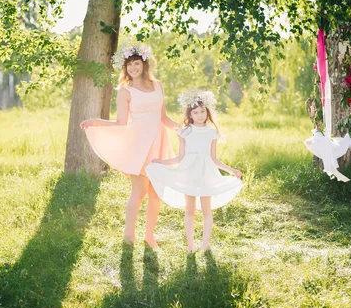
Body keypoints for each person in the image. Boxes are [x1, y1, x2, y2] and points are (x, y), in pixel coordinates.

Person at [80, 43, 179, 249]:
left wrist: (183, 129)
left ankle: (149, 237)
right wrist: (97, 122)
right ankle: (129, 236)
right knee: (139, 191)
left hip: (159, 142)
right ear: (125, 68)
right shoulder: (126, 91)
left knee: (156, 193)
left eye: (136, 64)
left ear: (144, 64)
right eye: (129, 65)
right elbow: (120, 123)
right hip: (139, 144)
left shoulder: (157, 85)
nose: (133, 68)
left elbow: (164, 118)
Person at [145, 90, 243, 253]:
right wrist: (162, 162)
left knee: (206, 210)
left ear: (207, 112)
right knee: (189, 210)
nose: (200, 115)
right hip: (188, 173)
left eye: (202, 111)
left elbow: (214, 159)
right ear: (190, 114)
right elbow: (179, 157)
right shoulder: (185, 131)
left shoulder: (212, 132)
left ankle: (205, 245)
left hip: (206, 174)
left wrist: (231, 170)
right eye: (195, 112)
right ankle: (190, 245)